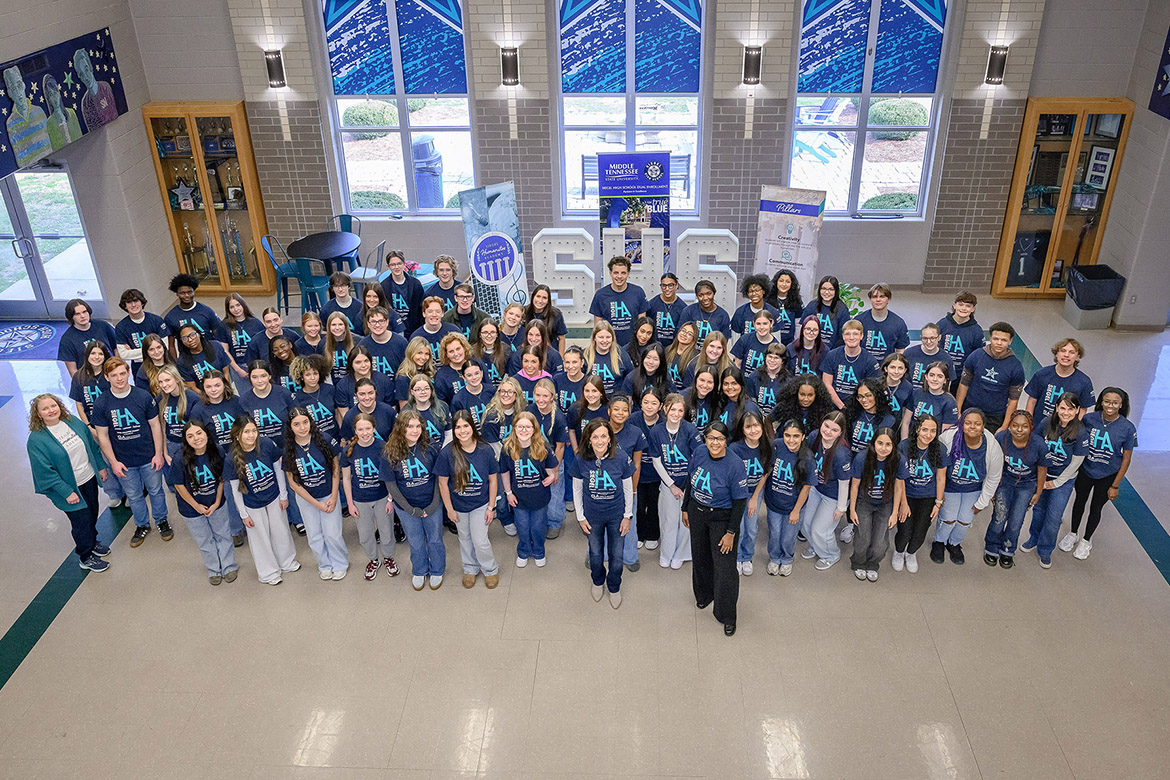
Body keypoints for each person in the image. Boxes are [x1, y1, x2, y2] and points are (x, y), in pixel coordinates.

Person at [26, 394, 112, 572]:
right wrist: (66, 491)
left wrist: (101, 466)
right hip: (69, 488)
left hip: (87, 478)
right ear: (38, 414)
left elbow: (91, 445)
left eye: (53, 405)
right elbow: (44, 472)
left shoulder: (72, 421)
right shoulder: (36, 440)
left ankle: (92, 542)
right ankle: (86, 556)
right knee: (80, 521)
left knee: (92, 513)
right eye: (45, 408)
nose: (51, 410)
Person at [91, 356, 170, 547]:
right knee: (134, 495)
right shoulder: (101, 403)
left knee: (156, 490)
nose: (119, 378)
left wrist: (158, 453)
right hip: (123, 461)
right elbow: (102, 436)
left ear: (128, 373)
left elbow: (156, 426)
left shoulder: (143, 397)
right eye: (114, 375)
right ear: (107, 377)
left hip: (148, 456)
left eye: (122, 373)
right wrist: (113, 462)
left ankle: (162, 521)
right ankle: (142, 525)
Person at [684, 422, 749, 636]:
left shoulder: (735, 464)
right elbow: (690, 482)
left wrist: (731, 533)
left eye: (720, 439)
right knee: (700, 557)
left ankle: (727, 614)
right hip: (697, 511)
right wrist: (685, 508)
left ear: (726, 441)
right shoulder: (700, 452)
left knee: (724, 568)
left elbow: (740, 502)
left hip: (723, 518)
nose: (714, 443)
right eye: (711, 438)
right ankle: (704, 595)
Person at [1060, 387, 1136, 561]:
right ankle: (1073, 534)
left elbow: (1126, 459)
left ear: (1121, 405)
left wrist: (1115, 485)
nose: (1110, 405)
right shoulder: (1089, 419)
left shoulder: (1127, 428)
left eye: (1115, 402)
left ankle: (1086, 540)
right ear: (1101, 401)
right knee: (1079, 501)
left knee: (1096, 507)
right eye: (1107, 401)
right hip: (1086, 470)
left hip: (1107, 475)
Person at [225, 417, 299, 585]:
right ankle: (269, 573)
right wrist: (243, 514)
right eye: (246, 432)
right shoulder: (231, 459)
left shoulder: (266, 444)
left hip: (273, 497)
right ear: (237, 435)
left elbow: (278, 470)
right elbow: (236, 490)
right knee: (260, 539)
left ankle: (287, 562)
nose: (251, 435)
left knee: (281, 531)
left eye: (254, 431)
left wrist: (283, 495)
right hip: (252, 505)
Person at [573, 418, 635, 608]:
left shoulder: (621, 457)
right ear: (589, 439)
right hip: (592, 516)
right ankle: (598, 581)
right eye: (595, 437)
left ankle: (614, 586)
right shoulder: (581, 459)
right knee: (596, 554)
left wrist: (627, 515)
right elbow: (577, 489)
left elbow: (627, 488)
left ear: (610, 438)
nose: (600, 441)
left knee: (617, 556)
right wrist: (580, 516)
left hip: (616, 515)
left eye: (603, 436)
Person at [437, 410, 501, 589]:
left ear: (472, 427)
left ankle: (490, 569)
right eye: (458, 427)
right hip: (458, 506)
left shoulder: (485, 450)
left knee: (480, 540)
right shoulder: (447, 453)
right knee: (464, 538)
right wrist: (449, 509)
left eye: (466, 426)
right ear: (453, 430)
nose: (462, 430)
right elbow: (442, 483)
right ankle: (470, 568)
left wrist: (491, 507)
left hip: (481, 505)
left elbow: (493, 479)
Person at [931, 409, 1004, 565]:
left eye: (977, 424)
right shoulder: (948, 438)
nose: (972, 427)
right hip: (950, 486)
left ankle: (954, 543)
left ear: (983, 426)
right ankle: (939, 542)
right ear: (961, 424)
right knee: (949, 518)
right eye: (968, 423)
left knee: (965, 520)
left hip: (973, 488)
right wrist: (938, 492)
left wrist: (982, 502)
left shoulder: (992, 446)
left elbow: (993, 477)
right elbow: (936, 464)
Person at [169, 420, 238, 584]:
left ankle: (229, 566)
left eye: (199, 433)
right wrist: (196, 506)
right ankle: (214, 569)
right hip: (191, 509)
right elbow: (179, 485)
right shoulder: (180, 459)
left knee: (223, 534)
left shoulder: (218, 451)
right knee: (204, 540)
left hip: (216, 503)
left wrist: (217, 501)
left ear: (206, 433)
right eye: (190, 436)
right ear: (185, 440)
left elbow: (222, 479)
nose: (196, 438)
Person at [1022, 395, 1087, 568]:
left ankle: (1045, 550)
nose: (1066, 413)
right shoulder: (1046, 423)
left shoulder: (1080, 432)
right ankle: (1033, 539)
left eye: (1071, 409)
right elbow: (1034, 444)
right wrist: (1038, 476)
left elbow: (1077, 462)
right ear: (1057, 408)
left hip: (1063, 481)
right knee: (1038, 510)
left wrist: (1057, 483)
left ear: (1077, 411)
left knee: (1053, 516)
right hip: (1043, 476)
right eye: (1063, 408)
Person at [383, 411, 444, 590]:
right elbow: (391, 485)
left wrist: (434, 503)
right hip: (406, 507)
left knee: (435, 539)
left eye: (418, 426)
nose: (415, 430)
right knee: (415, 541)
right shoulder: (389, 451)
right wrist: (409, 509)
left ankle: (437, 570)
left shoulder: (431, 446)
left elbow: (437, 477)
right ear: (401, 428)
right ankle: (419, 570)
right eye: (410, 426)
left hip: (432, 503)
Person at [285, 407, 347, 579]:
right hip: (307, 499)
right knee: (314, 535)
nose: (302, 427)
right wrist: (315, 503)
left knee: (332, 534)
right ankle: (324, 564)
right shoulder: (289, 449)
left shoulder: (324, 440)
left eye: (305, 422)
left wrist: (334, 496)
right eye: (296, 424)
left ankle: (340, 563)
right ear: (290, 427)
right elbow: (293, 482)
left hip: (328, 494)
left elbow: (335, 468)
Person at [983, 410, 1048, 568]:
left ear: (1031, 427)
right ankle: (991, 546)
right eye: (1015, 426)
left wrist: (1038, 491)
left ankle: (1008, 549)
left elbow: (1042, 470)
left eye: (1024, 426)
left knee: (1016, 521)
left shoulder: (1039, 444)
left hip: (1026, 484)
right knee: (999, 516)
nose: (1019, 430)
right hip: (1004, 481)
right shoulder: (1001, 438)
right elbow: (992, 463)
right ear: (1009, 426)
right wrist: (991, 488)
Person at [341, 414, 399, 581]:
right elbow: (346, 478)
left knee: (386, 531)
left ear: (374, 429)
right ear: (355, 431)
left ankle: (388, 557)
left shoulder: (384, 447)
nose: (365, 433)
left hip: (381, 497)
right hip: (360, 500)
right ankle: (373, 560)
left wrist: (390, 499)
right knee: (365, 534)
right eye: (361, 429)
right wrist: (350, 504)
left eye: (368, 429)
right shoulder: (349, 451)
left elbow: (390, 475)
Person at [648, 393, 702, 569]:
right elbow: (656, 460)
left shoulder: (690, 430)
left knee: (686, 520)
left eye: (680, 410)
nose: (677, 414)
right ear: (665, 409)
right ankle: (667, 553)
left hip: (688, 483)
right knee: (668, 519)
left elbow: (698, 459)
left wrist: (689, 485)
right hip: (668, 484)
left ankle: (681, 554)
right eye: (673, 409)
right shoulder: (656, 431)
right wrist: (671, 485)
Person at [500, 412, 559, 568]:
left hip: (539, 498)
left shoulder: (543, 447)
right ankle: (524, 551)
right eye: (520, 426)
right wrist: (508, 493)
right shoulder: (507, 448)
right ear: (514, 428)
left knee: (538, 527)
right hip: (519, 498)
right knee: (523, 526)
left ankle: (539, 551)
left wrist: (552, 476)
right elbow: (504, 472)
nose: (524, 430)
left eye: (528, 427)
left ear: (534, 429)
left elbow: (551, 468)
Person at [848, 427, 905, 581]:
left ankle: (872, 564)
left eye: (888, 444)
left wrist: (894, 512)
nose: (883, 448)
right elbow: (854, 485)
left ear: (894, 446)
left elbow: (899, 487)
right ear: (873, 443)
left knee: (880, 542)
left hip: (885, 503)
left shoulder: (898, 460)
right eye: (880, 443)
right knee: (863, 538)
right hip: (864, 502)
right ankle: (858, 562)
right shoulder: (862, 458)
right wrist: (852, 509)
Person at [892, 414, 946, 573]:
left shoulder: (940, 449)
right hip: (907, 494)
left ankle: (911, 553)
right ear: (917, 430)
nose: (928, 434)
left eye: (933, 431)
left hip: (928, 497)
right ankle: (899, 552)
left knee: (920, 530)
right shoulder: (904, 446)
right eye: (924, 430)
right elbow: (899, 478)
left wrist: (938, 502)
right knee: (905, 530)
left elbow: (941, 477)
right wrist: (903, 503)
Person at [799, 411, 852, 570]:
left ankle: (831, 555)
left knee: (820, 529)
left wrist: (841, 507)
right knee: (805, 523)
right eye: (826, 426)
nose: (828, 431)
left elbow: (844, 483)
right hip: (816, 488)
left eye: (834, 430)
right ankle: (816, 546)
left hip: (834, 496)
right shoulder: (814, 436)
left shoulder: (842, 453)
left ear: (841, 433)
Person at [762, 419, 813, 576]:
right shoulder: (776, 446)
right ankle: (775, 557)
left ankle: (787, 558)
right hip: (774, 502)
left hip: (793, 506)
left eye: (796, 436)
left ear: (803, 437)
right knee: (775, 532)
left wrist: (796, 510)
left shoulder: (809, 459)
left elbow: (806, 488)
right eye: (787, 435)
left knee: (788, 537)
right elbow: (767, 470)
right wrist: (763, 492)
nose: (791, 440)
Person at [956, 321, 1025, 433]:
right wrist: (958, 411)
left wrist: (1004, 426)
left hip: (994, 418)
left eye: (1004, 340)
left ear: (1010, 341)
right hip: (970, 409)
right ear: (990, 338)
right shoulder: (976, 356)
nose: (999, 343)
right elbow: (964, 384)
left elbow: (1014, 400)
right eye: (996, 339)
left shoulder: (1016, 367)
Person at [606, 394, 648, 571]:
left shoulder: (635, 433)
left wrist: (633, 490)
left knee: (628, 521)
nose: (620, 413)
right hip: (602, 487)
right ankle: (599, 553)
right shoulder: (598, 429)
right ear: (609, 411)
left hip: (626, 486)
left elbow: (636, 464)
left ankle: (630, 556)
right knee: (601, 522)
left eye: (625, 410)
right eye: (616, 409)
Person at [731, 410, 770, 576]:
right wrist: (742, 498)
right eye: (748, 427)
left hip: (755, 493)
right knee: (738, 526)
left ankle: (747, 556)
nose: (753, 430)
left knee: (751, 528)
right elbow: (731, 475)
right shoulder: (735, 448)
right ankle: (737, 557)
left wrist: (754, 498)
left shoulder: (767, 446)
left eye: (756, 425)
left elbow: (765, 472)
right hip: (737, 494)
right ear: (742, 429)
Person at [530, 379, 570, 538]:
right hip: (533, 460)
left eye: (545, 396)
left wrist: (554, 470)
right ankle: (538, 522)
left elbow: (560, 447)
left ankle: (554, 522)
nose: (541, 399)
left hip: (553, 461)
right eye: (537, 395)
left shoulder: (558, 417)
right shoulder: (530, 411)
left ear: (552, 396)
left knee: (554, 493)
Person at [1023, 338, 1094, 420]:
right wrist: (1029, 423)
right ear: (1056, 353)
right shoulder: (1042, 374)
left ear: (1077, 357)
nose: (1066, 355)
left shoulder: (1084, 382)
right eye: (1063, 351)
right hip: (1039, 427)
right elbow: (1031, 402)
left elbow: (1083, 410)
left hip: (1066, 430)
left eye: (1072, 352)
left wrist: (1075, 430)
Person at [820, 320, 881, 411]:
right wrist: (842, 407)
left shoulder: (870, 361)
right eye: (848, 334)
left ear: (861, 336)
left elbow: (871, 390)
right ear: (843, 336)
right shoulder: (832, 355)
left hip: (859, 408)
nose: (851, 338)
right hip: (833, 405)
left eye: (855, 334)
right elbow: (826, 384)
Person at [590, 256, 647, 347]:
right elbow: (597, 328)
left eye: (623, 273)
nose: (619, 276)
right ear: (610, 273)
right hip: (608, 346)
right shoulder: (600, 295)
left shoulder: (638, 292)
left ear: (628, 273)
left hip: (633, 346)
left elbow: (642, 323)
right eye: (616, 273)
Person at [936, 291, 983, 395]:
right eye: (960, 304)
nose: (963, 308)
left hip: (961, 374)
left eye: (968, 306)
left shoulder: (976, 331)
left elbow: (978, 355)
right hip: (940, 370)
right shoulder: (942, 324)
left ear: (973, 309)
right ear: (954, 305)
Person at [164, 274, 223, 355]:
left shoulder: (207, 311)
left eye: (189, 292)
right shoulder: (170, 317)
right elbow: (171, 346)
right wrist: (176, 365)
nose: (186, 296)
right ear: (177, 294)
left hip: (210, 354)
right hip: (187, 359)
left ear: (194, 291)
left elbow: (219, 335)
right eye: (182, 293)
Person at [58, 298, 117, 376]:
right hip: (89, 377)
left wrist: (117, 368)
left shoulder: (103, 326)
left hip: (111, 372)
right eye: (77, 314)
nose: (82, 316)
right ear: (71, 317)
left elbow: (116, 347)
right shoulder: (67, 339)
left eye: (84, 312)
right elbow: (73, 370)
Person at [114, 289, 168, 373]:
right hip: (139, 368)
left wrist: (133, 353)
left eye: (136, 301)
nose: (133, 305)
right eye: (129, 302)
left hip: (161, 364)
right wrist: (154, 350)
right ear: (125, 306)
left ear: (142, 302)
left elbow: (165, 347)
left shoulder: (156, 320)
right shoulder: (121, 327)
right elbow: (123, 354)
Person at [902, 361, 959, 439]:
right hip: (912, 441)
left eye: (940, 376)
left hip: (933, 444)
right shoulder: (915, 393)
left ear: (945, 380)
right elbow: (906, 422)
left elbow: (945, 434)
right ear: (926, 376)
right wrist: (904, 443)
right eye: (932, 375)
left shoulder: (949, 402)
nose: (935, 379)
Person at [853, 283, 909, 361]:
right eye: (874, 297)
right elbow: (852, 344)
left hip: (886, 368)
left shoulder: (898, 323)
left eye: (882, 296)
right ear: (870, 299)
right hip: (863, 366)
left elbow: (900, 351)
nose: (878, 300)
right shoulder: (859, 320)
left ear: (888, 299)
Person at [222, 293, 266, 388]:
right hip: (237, 366)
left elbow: (263, 345)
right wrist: (238, 370)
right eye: (232, 307)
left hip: (255, 365)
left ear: (243, 305)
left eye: (238, 305)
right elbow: (225, 351)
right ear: (228, 309)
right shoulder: (224, 326)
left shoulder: (256, 323)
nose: (236, 309)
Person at [292, 354, 339, 440]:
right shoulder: (297, 398)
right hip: (315, 441)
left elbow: (338, 413)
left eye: (315, 373)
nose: (312, 378)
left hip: (336, 438)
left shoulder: (330, 389)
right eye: (308, 375)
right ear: (301, 377)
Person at [338, 378, 398, 444]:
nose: (367, 398)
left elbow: (398, 436)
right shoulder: (349, 416)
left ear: (375, 392)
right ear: (356, 395)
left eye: (370, 393)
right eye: (362, 394)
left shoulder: (388, 411)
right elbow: (348, 441)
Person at [338, 345, 395, 412]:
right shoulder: (343, 385)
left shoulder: (384, 380)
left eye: (366, 361)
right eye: (358, 362)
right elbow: (345, 415)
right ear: (351, 364)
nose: (363, 365)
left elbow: (391, 408)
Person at [175, 324, 231, 391]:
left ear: (199, 334)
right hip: (203, 396)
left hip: (223, 389)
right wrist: (208, 397)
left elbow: (226, 371)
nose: (190, 340)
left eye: (192, 335)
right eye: (185, 338)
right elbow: (192, 387)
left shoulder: (216, 346)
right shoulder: (181, 362)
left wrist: (225, 389)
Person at [381, 249, 425, 333]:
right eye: (393, 265)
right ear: (388, 267)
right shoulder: (384, 286)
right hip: (394, 329)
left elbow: (421, 307)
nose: (396, 267)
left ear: (404, 264)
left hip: (413, 327)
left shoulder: (415, 284)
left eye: (399, 264)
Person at [584, 321, 633, 396]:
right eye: (601, 337)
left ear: (613, 338)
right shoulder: (586, 355)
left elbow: (631, 377)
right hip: (593, 399)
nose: (604, 341)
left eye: (608, 337)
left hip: (616, 400)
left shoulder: (621, 354)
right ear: (594, 338)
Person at [360, 306, 410, 379]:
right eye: (373, 321)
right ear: (368, 324)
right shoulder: (363, 345)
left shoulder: (401, 343)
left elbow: (408, 369)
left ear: (387, 322)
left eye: (381, 321)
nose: (377, 325)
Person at [801, 276, 850, 349]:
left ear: (836, 291)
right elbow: (802, 328)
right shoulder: (812, 306)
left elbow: (843, 336)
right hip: (811, 350)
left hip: (832, 352)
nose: (827, 292)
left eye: (831, 289)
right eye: (824, 288)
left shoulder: (842, 310)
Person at [405, 374, 452, 450]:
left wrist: (444, 451)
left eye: (426, 388)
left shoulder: (443, 406)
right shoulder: (405, 412)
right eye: (418, 389)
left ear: (431, 390)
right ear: (412, 392)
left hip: (442, 450)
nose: (423, 392)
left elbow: (449, 433)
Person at [746, 343, 789, 419]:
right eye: (770, 357)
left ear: (782, 361)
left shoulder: (788, 380)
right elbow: (751, 401)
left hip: (779, 421)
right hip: (758, 418)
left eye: (776, 358)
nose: (772, 360)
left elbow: (787, 407)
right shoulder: (754, 376)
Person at [412, 297, 461, 363]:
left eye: (438, 311)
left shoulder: (454, 331)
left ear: (442, 313)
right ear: (424, 313)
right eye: (430, 311)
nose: (434, 315)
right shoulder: (416, 337)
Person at [644, 272, 687, 347]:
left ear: (676, 285)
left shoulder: (683, 308)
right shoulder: (651, 304)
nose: (667, 289)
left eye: (670, 285)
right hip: (654, 347)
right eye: (664, 285)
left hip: (673, 348)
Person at [731, 274, 780, 339]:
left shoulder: (773, 312)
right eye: (751, 291)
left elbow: (777, 342)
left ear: (763, 291)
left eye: (757, 290)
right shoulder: (740, 312)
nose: (754, 294)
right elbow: (736, 339)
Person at [451, 360, 496, 428]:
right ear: (464, 378)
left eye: (477, 373)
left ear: (482, 373)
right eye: (469, 375)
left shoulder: (492, 390)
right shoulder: (458, 400)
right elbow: (458, 425)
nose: (474, 377)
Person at [524, 283, 567, 354]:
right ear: (533, 297)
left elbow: (561, 338)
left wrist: (560, 358)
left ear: (548, 301)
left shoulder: (555, 314)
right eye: (538, 296)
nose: (540, 301)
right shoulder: (524, 312)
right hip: (529, 353)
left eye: (544, 298)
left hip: (550, 353)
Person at [320, 272, 366, 336]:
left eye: (343, 285)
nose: (340, 289)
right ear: (332, 288)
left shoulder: (361, 307)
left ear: (349, 286)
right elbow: (323, 332)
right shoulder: (326, 310)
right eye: (336, 286)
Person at [766, 270, 804, 346]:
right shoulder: (767, 300)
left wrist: (796, 342)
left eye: (787, 282)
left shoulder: (797, 301)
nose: (784, 284)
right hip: (770, 342)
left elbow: (798, 325)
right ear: (776, 282)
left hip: (789, 343)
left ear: (792, 284)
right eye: (781, 281)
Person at [717, 367, 760, 431]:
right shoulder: (720, 402)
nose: (730, 387)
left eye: (734, 383)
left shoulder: (750, 407)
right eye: (726, 384)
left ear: (741, 385)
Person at [904, 322, 943, 386]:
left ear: (939, 338)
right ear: (921, 337)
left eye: (932, 338)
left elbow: (947, 384)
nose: (928, 342)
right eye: (925, 338)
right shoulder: (909, 353)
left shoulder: (945, 357)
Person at [665, 321, 700, 392]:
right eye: (683, 331)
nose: (684, 334)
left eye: (689, 334)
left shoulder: (695, 358)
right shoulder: (668, 350)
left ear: (694, 338)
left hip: (683, 396)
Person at [473, 319, 510, 386]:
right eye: (485, 332)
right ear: (480, 335)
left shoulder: (506, 350)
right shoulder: (473, 352)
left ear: (497, 334)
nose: (489, 335)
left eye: (492, 332)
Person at [324, 312, 357, 386]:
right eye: (333, 325)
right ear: (328, 326)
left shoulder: (357, 341)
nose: (337, 328)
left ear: (346, 325)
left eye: (340, 324)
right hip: (333, 386)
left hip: (353, 385)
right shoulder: (322, 344)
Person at [882, 352, 913, 419]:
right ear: (886, 368)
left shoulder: (908, 387)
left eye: (900, 368)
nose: (896, 372)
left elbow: (906, 414)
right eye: (892, 367)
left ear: (905, 370)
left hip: (896, 425)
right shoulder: (876, 384)